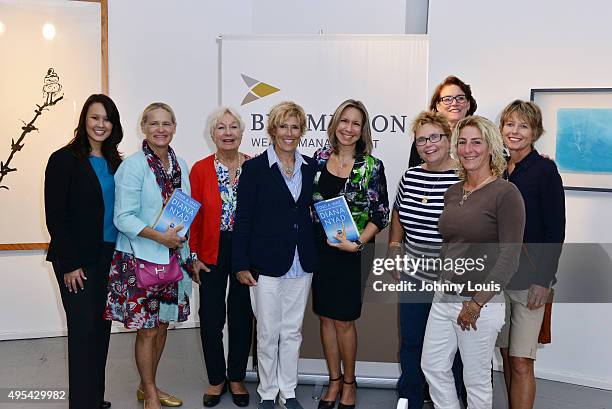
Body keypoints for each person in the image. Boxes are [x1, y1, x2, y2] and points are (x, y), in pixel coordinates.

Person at [104, 102, 204, 409]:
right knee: (147, 329)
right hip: (139, 258)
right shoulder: (133, 166)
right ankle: (149, 393)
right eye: (154, 124)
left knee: (162, 326)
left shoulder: (180, 165)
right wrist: (159, 235)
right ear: (144, 128)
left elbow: (186, 209)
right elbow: (123, 217)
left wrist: (189, 251)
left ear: (174, 127)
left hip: (173, 259)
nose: (161, 129)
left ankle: (148, 385)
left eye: (167, 124)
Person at [421, 115, 526, 409]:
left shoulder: (506, 193)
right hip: (444, 297)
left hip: (479, 303)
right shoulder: (454, 191)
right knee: (433, 367)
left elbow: (510, 256)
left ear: (490, 147)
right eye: (463, 142)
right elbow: (451, 243)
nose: (468, 149)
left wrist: (477, 303)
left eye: (476, 142)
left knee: (476, 381)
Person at [233, 101, 317, 409]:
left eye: (295, 127)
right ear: (272, 129)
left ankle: (288, 391)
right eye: (283, 126)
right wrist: (241, 263)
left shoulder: (311, 168)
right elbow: (243, 219)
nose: (289, 133)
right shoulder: (254, 169)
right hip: (265, 263)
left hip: (301, 263)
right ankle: (267, 393)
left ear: (302, 131)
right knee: (268, 333)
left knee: (292, 331)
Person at [44, 93, 123, 409]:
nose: (100, 124)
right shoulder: (63, 159)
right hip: (77, 260)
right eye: (95, 117)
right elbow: (56, 216)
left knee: (102, 329)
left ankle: (94, 397)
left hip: (110, 256)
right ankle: (81, 403)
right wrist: (70, 264)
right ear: (84, 121)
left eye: (107, 119)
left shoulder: (118, 162)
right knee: (82, 331)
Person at [312, 99, 389, 409]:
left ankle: (349, 382)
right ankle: (332, 380)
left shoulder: (372, 166)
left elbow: (380, 213)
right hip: (321, 249)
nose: (348, 128)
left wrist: (357, 244)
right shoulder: (318, 159)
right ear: (335, 124)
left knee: (344, 320)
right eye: (344, 121)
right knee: (325, 318)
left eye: (355, 123)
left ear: (362, 130)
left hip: (353, 252)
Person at [389, 111, 464, 409]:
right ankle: (410, 399)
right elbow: (398, 214)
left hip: (452, 281)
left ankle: (449, 401)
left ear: (448, 139)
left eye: (435, 137)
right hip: (415, 276)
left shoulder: (464, 177)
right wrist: (394, 247)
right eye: (422, 139)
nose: (428, 144)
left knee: (453, 350)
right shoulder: (410, 176)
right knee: (411, 343)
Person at [497, 100, 565, 409]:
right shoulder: (497, 169)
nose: (515, 131)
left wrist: (544, 280)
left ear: (535, 132)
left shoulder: (545, 170)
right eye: (510, 124)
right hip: (497, 279)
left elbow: (555, 232)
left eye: (523, 125)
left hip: (530, 283)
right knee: (506, 358)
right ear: (501, 129)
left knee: (522, 361)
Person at [190, 107, 253, 408]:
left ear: (242, 133)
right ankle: (217, 379)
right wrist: (193, 255)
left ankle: (237, 377)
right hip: (210, 251)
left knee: (242, 315)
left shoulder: (254, 166)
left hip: (245, 252)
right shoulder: (200, 169)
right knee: (211, 317)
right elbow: (192, 217)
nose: (227, 133)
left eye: (233, 127)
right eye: (221, 128)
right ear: (212, 134)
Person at [408, 75, 477, 168]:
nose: (454, 103)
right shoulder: (424, 140)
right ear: (438, 106)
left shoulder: (482, 137)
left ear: (468, 104)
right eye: (447, 99)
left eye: (460, 98)